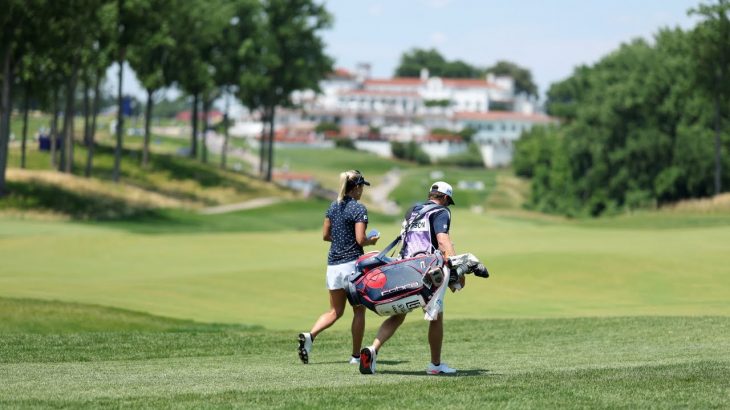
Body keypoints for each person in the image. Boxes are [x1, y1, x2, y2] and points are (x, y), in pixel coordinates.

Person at [359, 181, 463, 375]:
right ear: (446, 198)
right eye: (448, 202)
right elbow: (443, 241)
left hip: (404, 266)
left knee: (398, 314)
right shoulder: (442, 212)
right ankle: (435, 365)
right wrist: (456, 268)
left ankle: (372, 349)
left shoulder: (412, 210)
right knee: (435, 315)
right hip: (427, 270)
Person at [298, 170, 380, 365]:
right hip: (352, 266)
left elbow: (325, 235)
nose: (362, 191)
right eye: (362, 187)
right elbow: (361, 239)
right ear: (357, 187)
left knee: (334, 311)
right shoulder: (359, 209)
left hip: (333, 266)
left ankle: (310, 336)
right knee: (359, 311)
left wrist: (344, 241)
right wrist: (371, 241)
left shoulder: (332, 206)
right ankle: (355, 356)